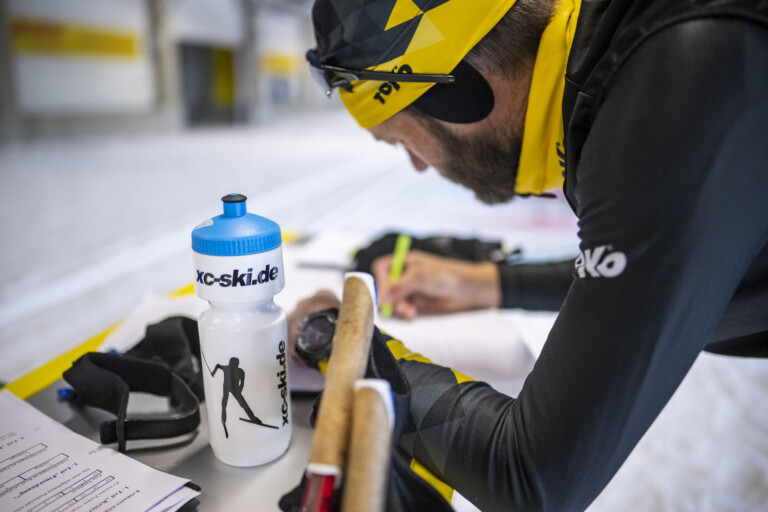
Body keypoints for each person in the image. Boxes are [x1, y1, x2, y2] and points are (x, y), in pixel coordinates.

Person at [291, 0, 768, 509]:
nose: (418, 165)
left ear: (458, 93)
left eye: (400, 140)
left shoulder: (679, 75)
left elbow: (530, 478)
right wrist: (486, 283)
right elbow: (650, 274)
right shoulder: (633, 53)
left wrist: (333, 336)